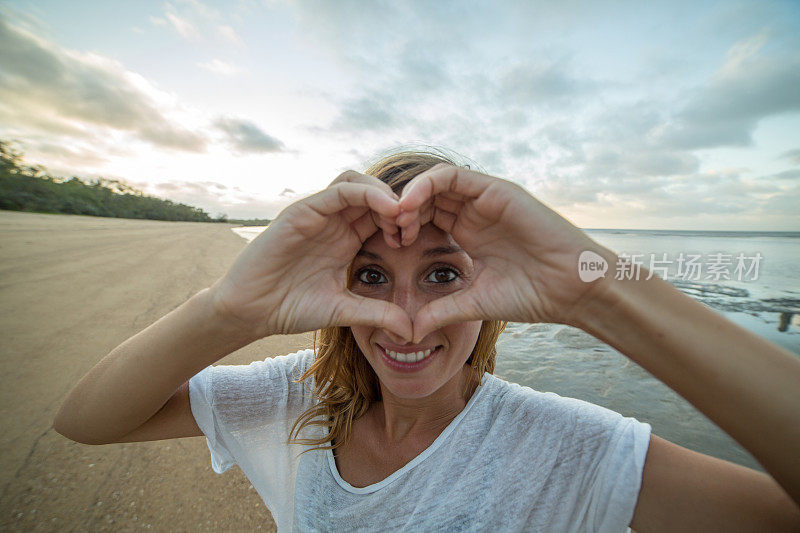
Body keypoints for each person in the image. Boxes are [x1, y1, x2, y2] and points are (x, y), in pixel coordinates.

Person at [54, 150, 800, 532]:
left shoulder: (564, 447)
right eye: (371, 277)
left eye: (443, 273)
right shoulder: (292, 398)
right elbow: (85, 420)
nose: (407, 316)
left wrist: (592, 289)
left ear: (495, 293)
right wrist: (228, 310)